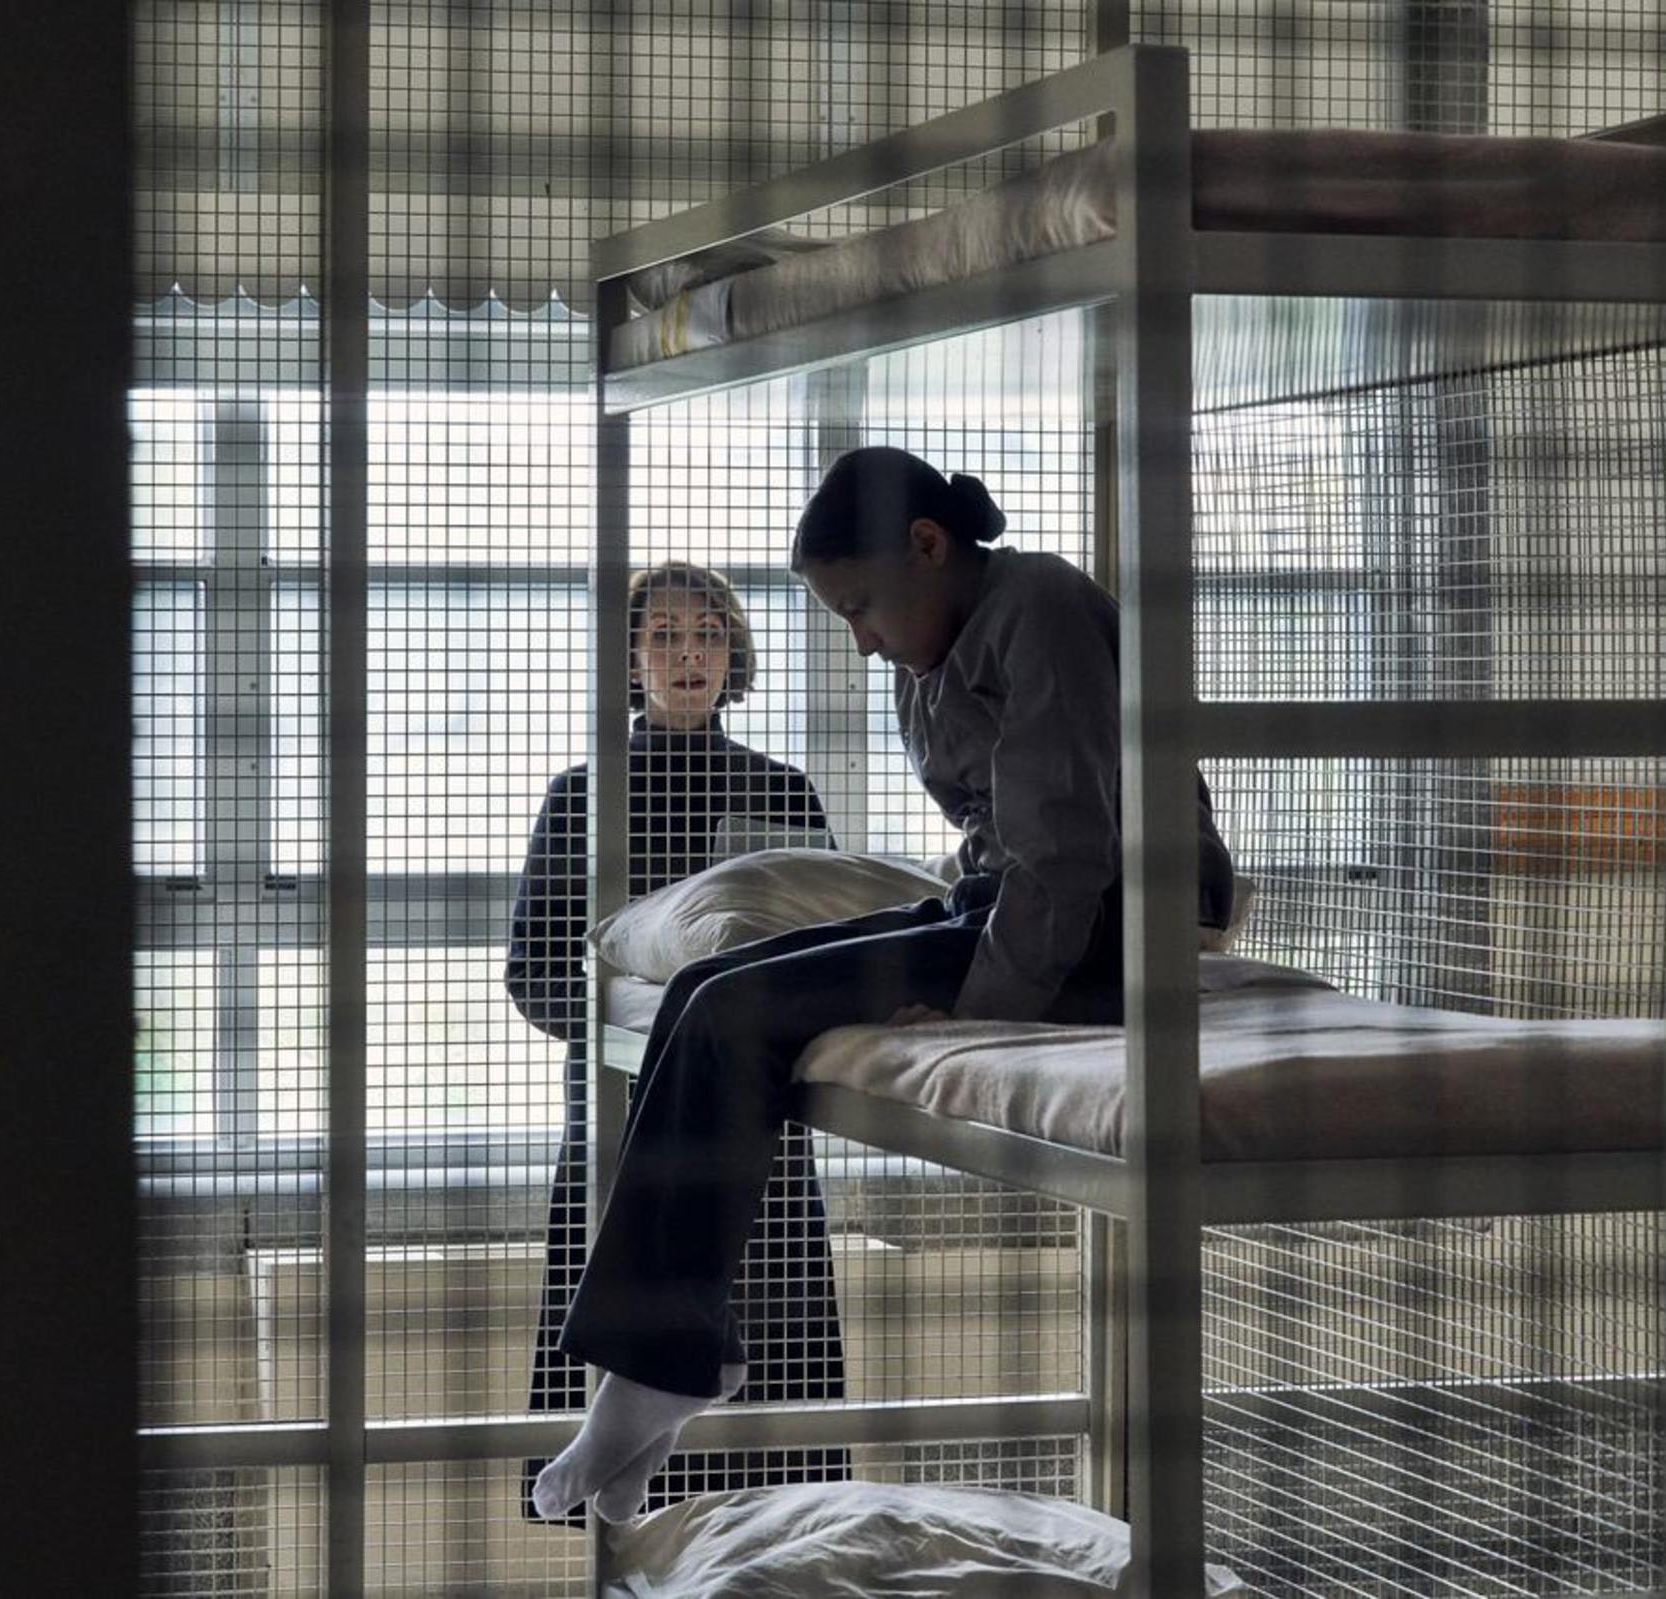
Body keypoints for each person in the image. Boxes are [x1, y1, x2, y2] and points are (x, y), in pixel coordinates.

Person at [533, 447, 1236, 1522]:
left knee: (734, 1009)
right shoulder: (934, 651)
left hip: (1106, 925)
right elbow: (994, 842)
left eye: (860, 606)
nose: (858, 639)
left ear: (927, 546)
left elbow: (1063, 853)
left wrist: (978, 1005)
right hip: (1005, 901)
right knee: (708, 990)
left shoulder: (1037, 603)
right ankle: (666, 1367)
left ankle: (656, 1377)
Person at [507, 560, 848, 1522]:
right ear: (629, 657)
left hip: (760, 1129)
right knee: (621, 1392)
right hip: (620, 1121)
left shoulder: (783, 790)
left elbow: (826, 948)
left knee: (772, 1442)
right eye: (663, 634)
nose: (688, 651)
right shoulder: (581, 794)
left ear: (735, 652)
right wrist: (645, 1035)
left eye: (707, 632)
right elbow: (532, 968)